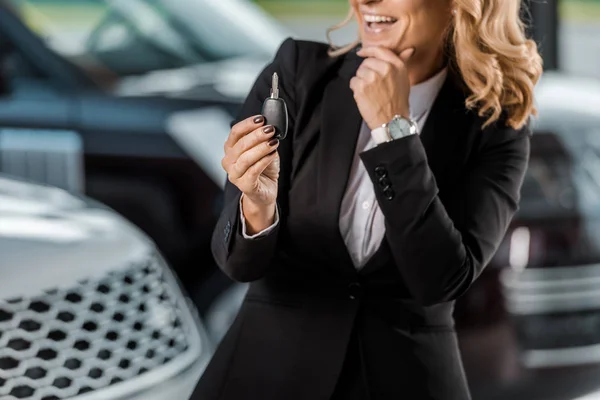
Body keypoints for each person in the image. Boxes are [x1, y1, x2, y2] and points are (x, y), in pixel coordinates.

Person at [191, 0, 542, 399]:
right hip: (264, 376)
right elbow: (238, 262)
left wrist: (392, 130)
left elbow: (442, 278)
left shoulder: (497, 126)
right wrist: (256, 206)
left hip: (405, 381)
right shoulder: (296, 73)